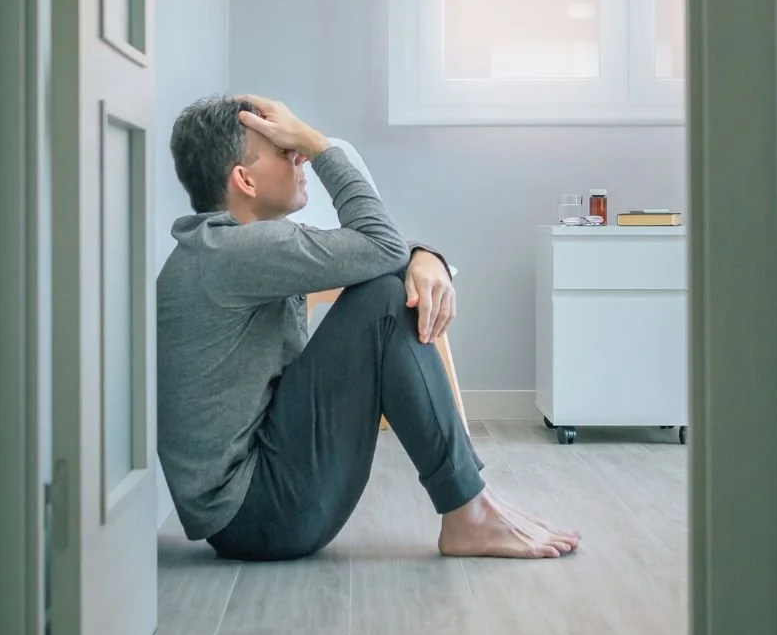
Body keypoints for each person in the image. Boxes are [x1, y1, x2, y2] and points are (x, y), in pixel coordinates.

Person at [156, 93, 580, 561]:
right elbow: (380, 248)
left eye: (296, 146)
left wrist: (423, 257)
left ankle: (472, 503)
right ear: (244, 180)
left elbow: (373, 252)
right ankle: (468, 509)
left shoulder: (228, 249)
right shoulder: (235, 253)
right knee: (383, 299)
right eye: (283, 149)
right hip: (260, 516)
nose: (297, 155)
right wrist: (319, 145)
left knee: (384, 286)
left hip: (259, 503)